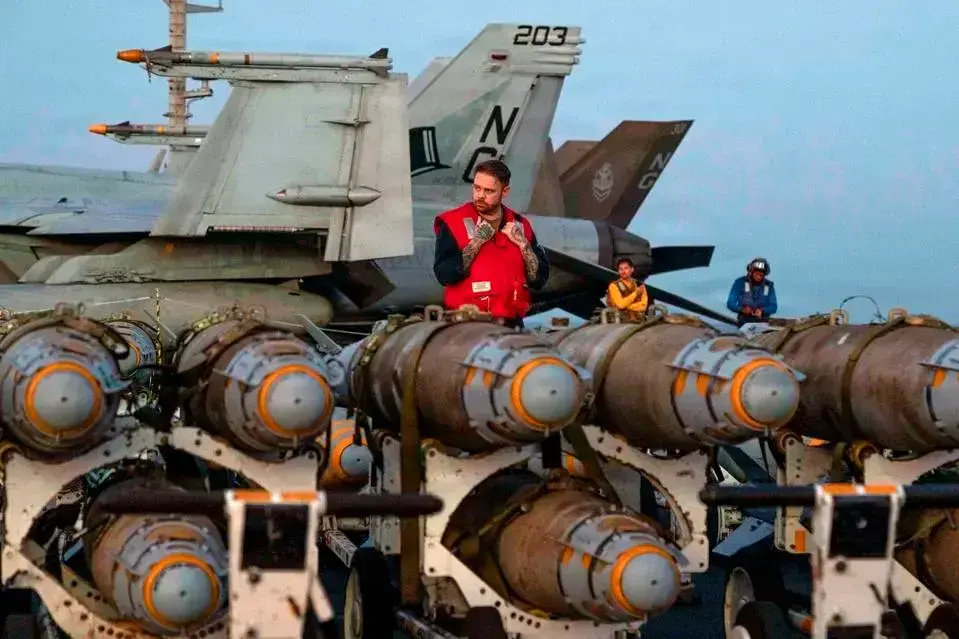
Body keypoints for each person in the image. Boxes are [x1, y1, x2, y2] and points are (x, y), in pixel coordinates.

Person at [432, 159, 549, 327]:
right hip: (466, 325)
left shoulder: (521, 225)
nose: (480, 195)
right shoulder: (452, 223)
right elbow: (445, 276)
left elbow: (539, 280)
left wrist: (524, 245)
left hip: (511, 325)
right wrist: (476, 242)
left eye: (489, 191)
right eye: (476, 188)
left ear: (505, 191)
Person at [726, 257, 778, 326]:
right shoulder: (740, 282)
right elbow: (730, 303)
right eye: (757, 273)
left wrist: (762, 311)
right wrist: (742, 309)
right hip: (744, 321)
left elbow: (773, 306)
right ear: (751, 271)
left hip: (763, 322)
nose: (759, 276)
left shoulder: (769, 285)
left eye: (761, 275)